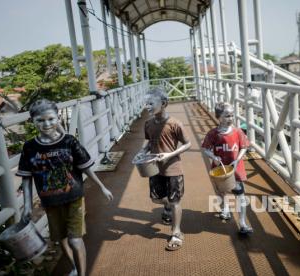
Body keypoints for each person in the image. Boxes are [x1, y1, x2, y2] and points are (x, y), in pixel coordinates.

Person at [17, 99, 113, 276]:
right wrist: (28, 206)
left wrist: (102, 187)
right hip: (50, 202)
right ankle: (75, 267)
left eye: (51, 119)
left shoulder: (69, 142)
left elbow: (85, 167)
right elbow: (26, 178)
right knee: (61, 239)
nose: (47, 124)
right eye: (40, 120)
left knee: (75, 240)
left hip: (74, 197)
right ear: (33, 121)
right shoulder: (30, 147)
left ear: (58, 117)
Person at [134, 87, 191, 251]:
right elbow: (149, 142)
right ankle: (167, 206)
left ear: (164, 103)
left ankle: (176, 232)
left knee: (175, 201)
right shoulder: (148, 124)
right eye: (146, 103)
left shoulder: (175, 124)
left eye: (151, 103)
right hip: (154, 167)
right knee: (156, 199)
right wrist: (141, 152)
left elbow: (188, 144)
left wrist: (170, 154)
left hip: (173, 168)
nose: (147, 106)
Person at [201, 102, 253, 235]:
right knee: (221, 191)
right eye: (226, 116)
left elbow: (244, 147)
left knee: (240, 195)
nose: (230, 118)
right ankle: (225, 209)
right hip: (220, 169)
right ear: (218, 117)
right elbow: (205, 149)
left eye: (232, 115)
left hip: (235, 168)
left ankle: (242, 222)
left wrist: (238, 159)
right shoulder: (213, 133)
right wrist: (213, 156)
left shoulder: (237, 131)